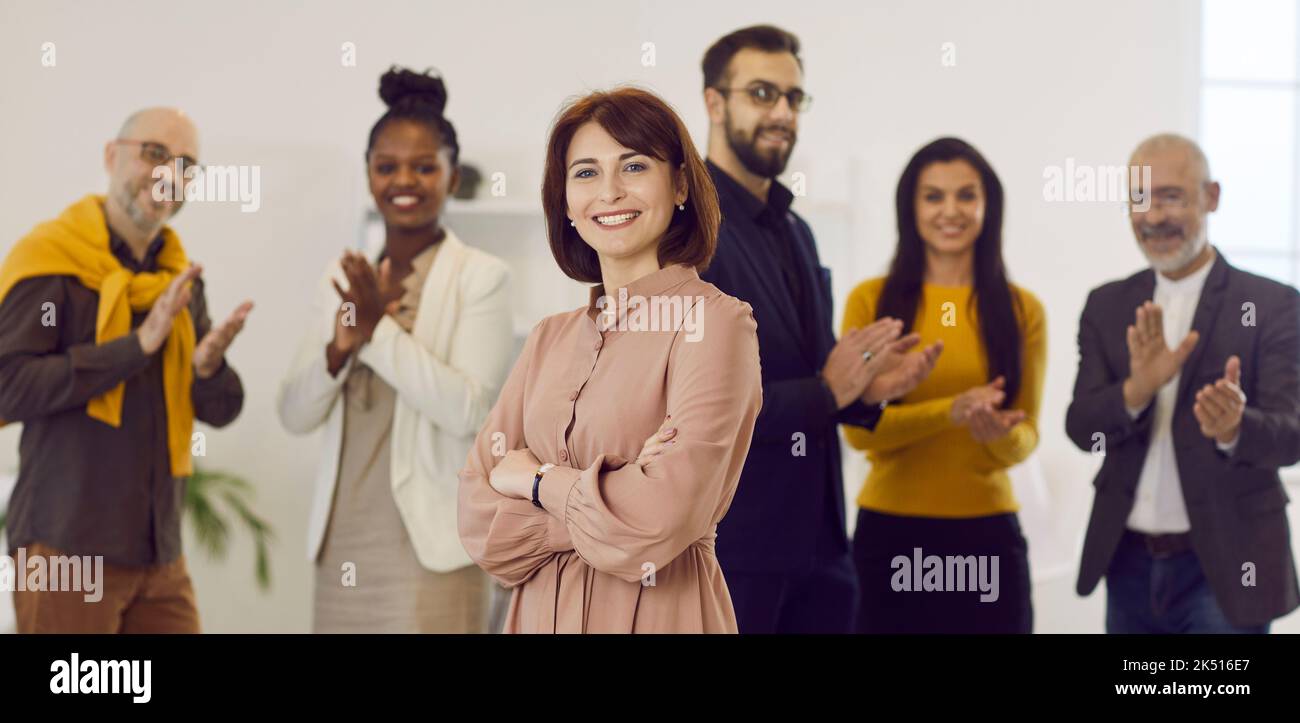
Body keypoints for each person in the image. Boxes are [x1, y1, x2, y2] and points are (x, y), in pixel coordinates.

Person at [458, 86, 763, 633]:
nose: (610, 192)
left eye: (634, 165)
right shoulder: (548, 339)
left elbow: (655, 524)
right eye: (586, 173)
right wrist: (613, 491)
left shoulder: (717, 324)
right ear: (566, 202)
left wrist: (537, 481)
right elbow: (478, 522)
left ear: (680, 186)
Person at [698, 24, 941, 633]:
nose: (782, 112)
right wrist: (830, 391)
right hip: (735, 554)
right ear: (714, 102)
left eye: (793, 97)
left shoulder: (797, 230)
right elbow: (695, 411)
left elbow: (811, 370)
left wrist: (866, 390)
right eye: (761, 93)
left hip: (825, 550)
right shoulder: (686, 232)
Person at [277, 67, 513, 633]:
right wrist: (339, 347)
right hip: (343, 544)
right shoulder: (343, 276)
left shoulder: (481, 277)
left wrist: (376, 333)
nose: (403, 180)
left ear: (452, 177)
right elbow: (293, 413)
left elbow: (470, 410)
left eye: (424, 166)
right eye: (387, 166)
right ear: (369, 175)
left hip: (432, 549)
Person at [0, 107, 250, 633]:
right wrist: (135, 347)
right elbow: (7, 388)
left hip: (159, 555)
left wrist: (207, 369)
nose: (169, 175)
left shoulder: (179, 281)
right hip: (66, 552)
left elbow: (219, 410)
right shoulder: (50, 262)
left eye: (185, 165)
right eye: (155, 153)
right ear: (112, 156)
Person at [1067, 133, 1300, 633]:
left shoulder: (1273, 305)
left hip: (1226, 563)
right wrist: (1136, 390)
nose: (1152, 217)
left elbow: (1292, 436)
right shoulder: (1107, 305)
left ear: (1211, 197)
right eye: (1140, 199)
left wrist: (1236, 427)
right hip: (1127, 562)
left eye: (1170, 196)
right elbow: (1084, 431)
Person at [843, 138, 1045, 633]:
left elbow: (1025, 438)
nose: (950, 210)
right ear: (910, 207)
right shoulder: (870, 301)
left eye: (966, 195)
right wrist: (948, 412)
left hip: (987, 539)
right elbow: (859, 434)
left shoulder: (1022, 311)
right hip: (889, 537)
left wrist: (995, 434)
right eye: (933, 196)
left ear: (987, 206)